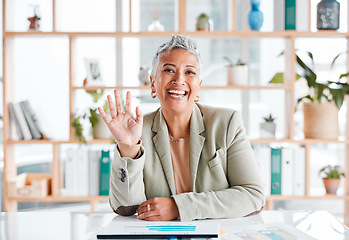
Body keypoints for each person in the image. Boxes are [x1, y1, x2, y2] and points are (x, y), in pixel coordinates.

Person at [98, 35, 265, 222]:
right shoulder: (137, 130)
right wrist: (128, 147)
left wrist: (179, 207)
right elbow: (125, 207)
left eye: (190, 72)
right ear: (153, 84)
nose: (179, 79)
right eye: (169, 70)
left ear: (198, 87)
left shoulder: (226, 123)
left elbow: (253, 195)